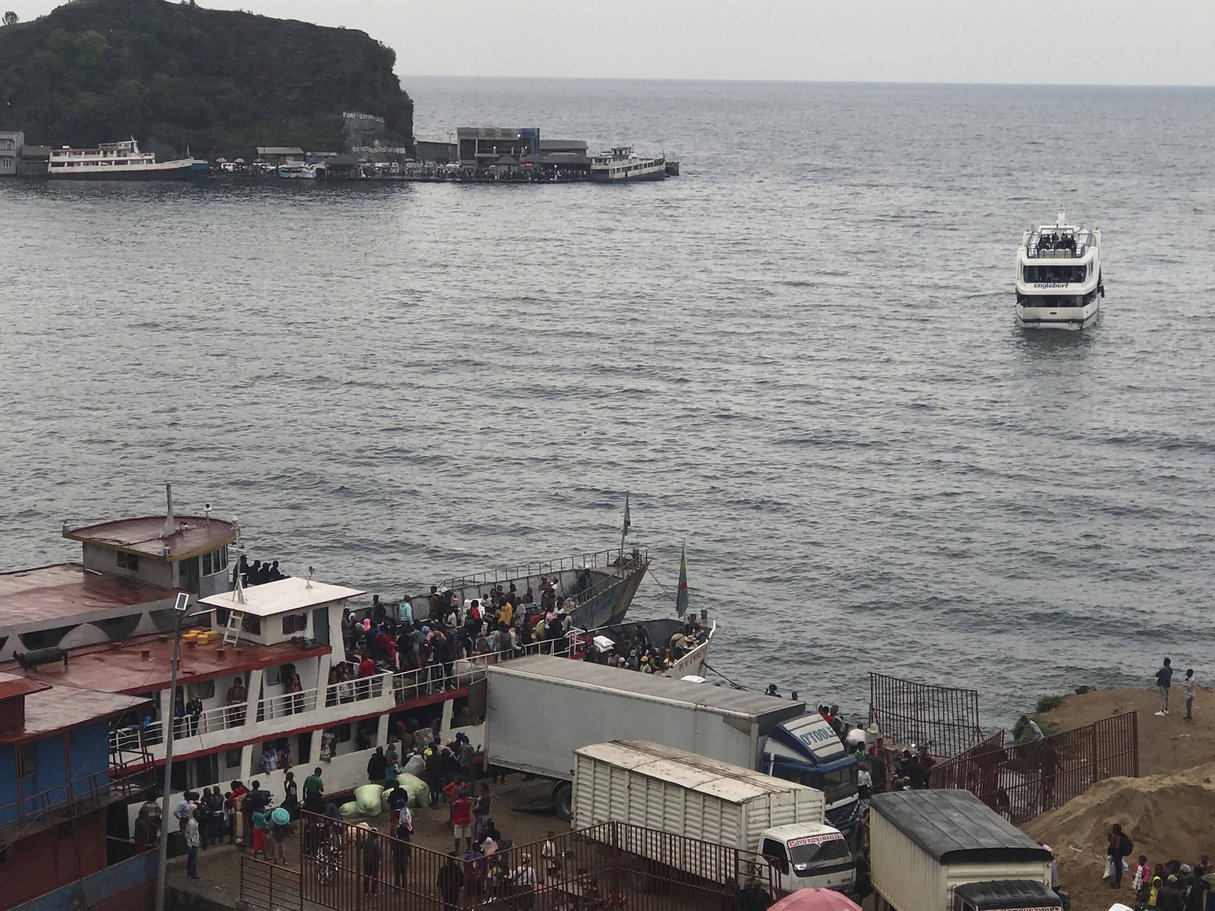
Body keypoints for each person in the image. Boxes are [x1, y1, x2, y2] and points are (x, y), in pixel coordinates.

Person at [360, 824, 381, 895]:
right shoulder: (376, 843)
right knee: (374, 876)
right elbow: (380, 853)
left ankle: (366, 891)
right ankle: (373, 891)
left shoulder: (365, 841)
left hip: (366, 861)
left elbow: (359, 845)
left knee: (366, 875)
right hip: (374, 861)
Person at [452, 789, 474, 853]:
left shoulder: (457, 803)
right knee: (468, 835)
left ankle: (457, 850)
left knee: (457, 836)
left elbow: (453, 808)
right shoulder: (469, 802)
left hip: (458, 820)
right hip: (467, 819)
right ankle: (468, 848)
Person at [1108, 823, 1129, 889]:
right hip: (1117, 854)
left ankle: (1117, 884)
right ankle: (1116, 882)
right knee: (1117, 868)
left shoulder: (1118, 837)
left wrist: (1115, 853)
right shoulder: (1117, 836)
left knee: (1118, 869)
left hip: (1117, 854)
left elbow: (1116, 846)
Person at [184, 805, 202, 880]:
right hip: (192, 845)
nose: (199, 815)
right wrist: (190, 845)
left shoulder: (194, 822)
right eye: (197, 814)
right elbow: (188, 835)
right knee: (193, 861)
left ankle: (190, 874)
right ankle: (193, 875)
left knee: (191, 860)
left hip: (194, 843)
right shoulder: (192, 823)